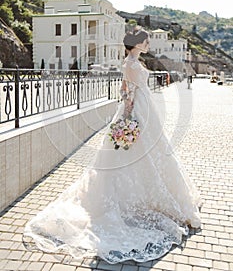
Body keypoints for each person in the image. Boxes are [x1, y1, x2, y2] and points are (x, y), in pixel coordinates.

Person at [24, 28, 201, 264]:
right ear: (136, 44)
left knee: (153, 155)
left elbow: (125, 88)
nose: (149, 44)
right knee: (131, 156)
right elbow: (127, 93)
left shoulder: (135, 61)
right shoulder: (129, 62)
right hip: (136, 111)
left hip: (145, 109)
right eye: (146, 41)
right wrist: (127, 120)